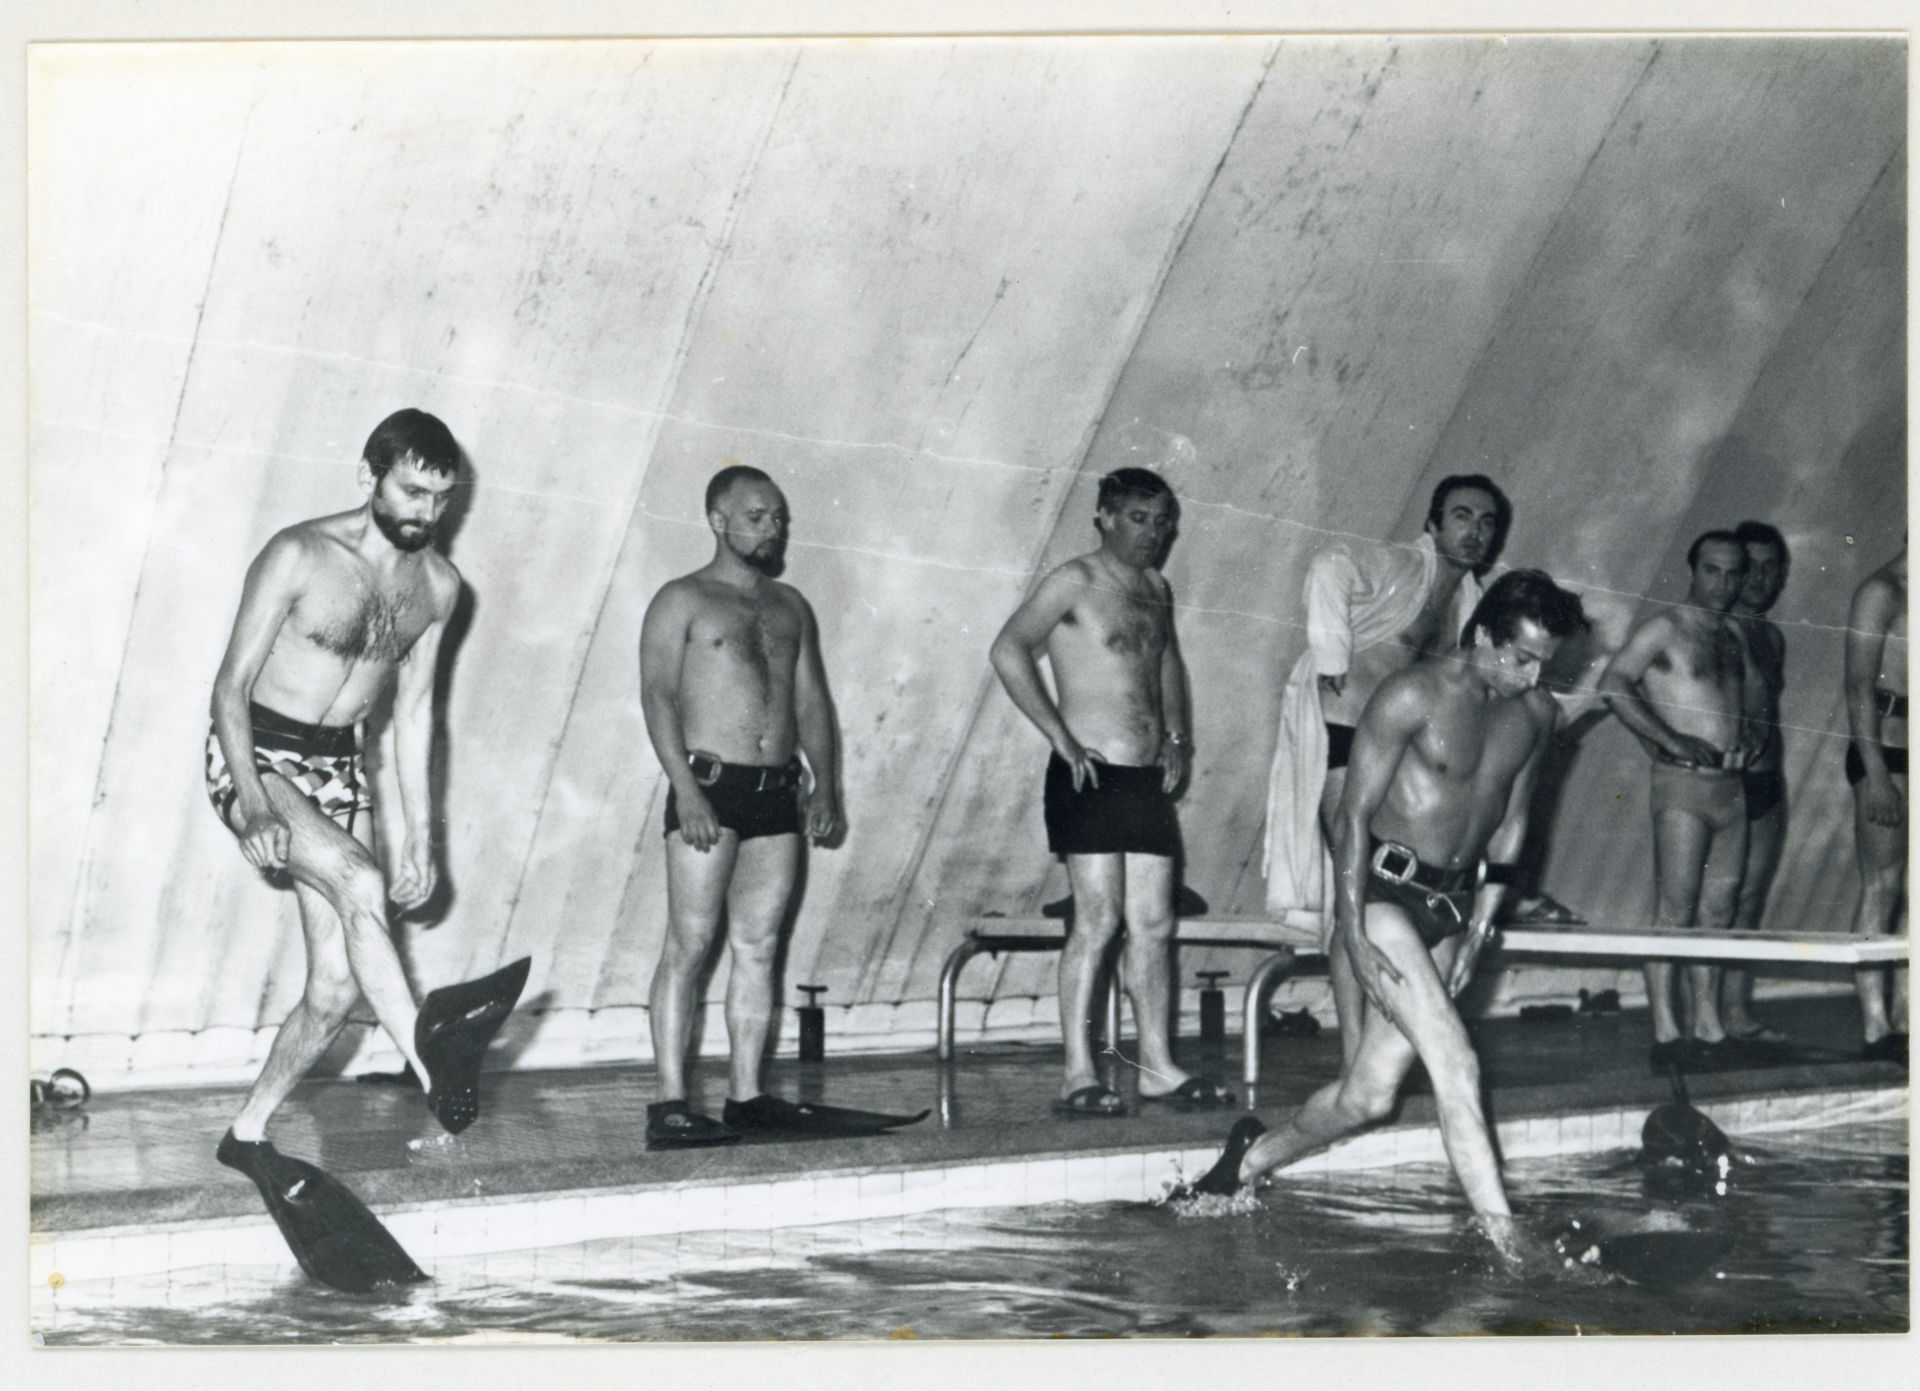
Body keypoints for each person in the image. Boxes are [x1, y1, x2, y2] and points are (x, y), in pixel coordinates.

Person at [1192, 570, 1588, 1267]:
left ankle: (1245, 1161)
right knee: (1456, 1062)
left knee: (1369, 1096)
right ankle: (1510, 1245)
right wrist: (1349, 928)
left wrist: (1483, 923)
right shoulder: (1413, 694)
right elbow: (1351, 816)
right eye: (1521, 658)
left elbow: (1512, 823)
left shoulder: (1535, 713)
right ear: (1483, 633)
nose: (1531, 677)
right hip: (1384, 898)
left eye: (1544, 665)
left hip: (1453, 908)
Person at [207, 409, 529, 1180]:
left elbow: (414, 714)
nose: (425, 512)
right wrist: (254, 802)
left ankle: (246, 1131)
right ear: (369, 476)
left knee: (335, 987)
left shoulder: (439, 587)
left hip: (341, 768)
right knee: (358, 880)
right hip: (258, 752)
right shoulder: (298, 554)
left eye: (441, 498)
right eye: (412, 491)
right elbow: (229, 688)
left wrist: (422, 835)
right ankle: (432, 1064)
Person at [990, 467, 1230, 1115]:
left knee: (1153, 922)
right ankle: (1077, 1072)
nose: (1153, 533)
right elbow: (1008, 649)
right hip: (1090, 776)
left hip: (1144, 780)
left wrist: (1176, 736)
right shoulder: (1075, 580)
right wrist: (1062, 739)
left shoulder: (1155, 588)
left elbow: (1166, 660)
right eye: (1139, 519)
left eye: (1162, 522)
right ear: (1104, 516)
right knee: (1096, 919)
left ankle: (1156, 1066)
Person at [1262, 475, 1507, 1065]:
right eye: (1462, 516)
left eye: (1487, 522)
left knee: (1378, 892)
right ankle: (1354, 1054)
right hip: (1344, 730)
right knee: (1357, 886)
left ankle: (1375, 1050)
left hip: (1395, 749)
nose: (1474, 532)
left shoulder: (1470, 602)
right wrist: (1331, 655)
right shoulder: (1400, 565)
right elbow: (1330, 565)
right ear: (1433, 523)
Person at [639, 466, 844, 1147]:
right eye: (757, 516)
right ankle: (670, 1101)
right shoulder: (682, 599)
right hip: (710, 789)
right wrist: (686, 789)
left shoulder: (790, 606)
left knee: (759, 947)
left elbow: (810, 698)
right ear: (718, 520)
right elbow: (657, 696)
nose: (771, 529)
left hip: (776, 795)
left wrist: (826, 783)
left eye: (778, 517)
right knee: (690, 945)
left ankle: (747, 1095)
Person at [1600, 531, 1756, 1072]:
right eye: (1712, 570)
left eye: (1733, 573)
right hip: (1683, 787)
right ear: (1693, 570)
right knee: (1675, 909)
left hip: (1731, 788)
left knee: (1719, 911)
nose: (1723, 583)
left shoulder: (1732, 635)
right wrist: (1670, 739)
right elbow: (1613, 684)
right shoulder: (1664, 629)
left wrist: (1747, 735)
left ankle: (1708, 1024)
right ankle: (1666, 1031)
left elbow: (1726, 707)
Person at [1721, 521, 1793, 1046]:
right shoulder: (1718, 632)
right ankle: (1700, 1016)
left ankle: (1735, 1011)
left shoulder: (1771, 636)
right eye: (1752, 567)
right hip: (1726, 783)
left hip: (1768, 782)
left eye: (1772, 568)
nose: (1761, 579)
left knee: (1748, 902)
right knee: (1713, 905)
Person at [1844, 543, 1907, 1064]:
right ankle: (1874, 1025)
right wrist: (1878, 775)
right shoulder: (1881, 592)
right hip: (1884, 753)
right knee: (1881, 886)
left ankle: (1907, 1018)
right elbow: (1859, 687)